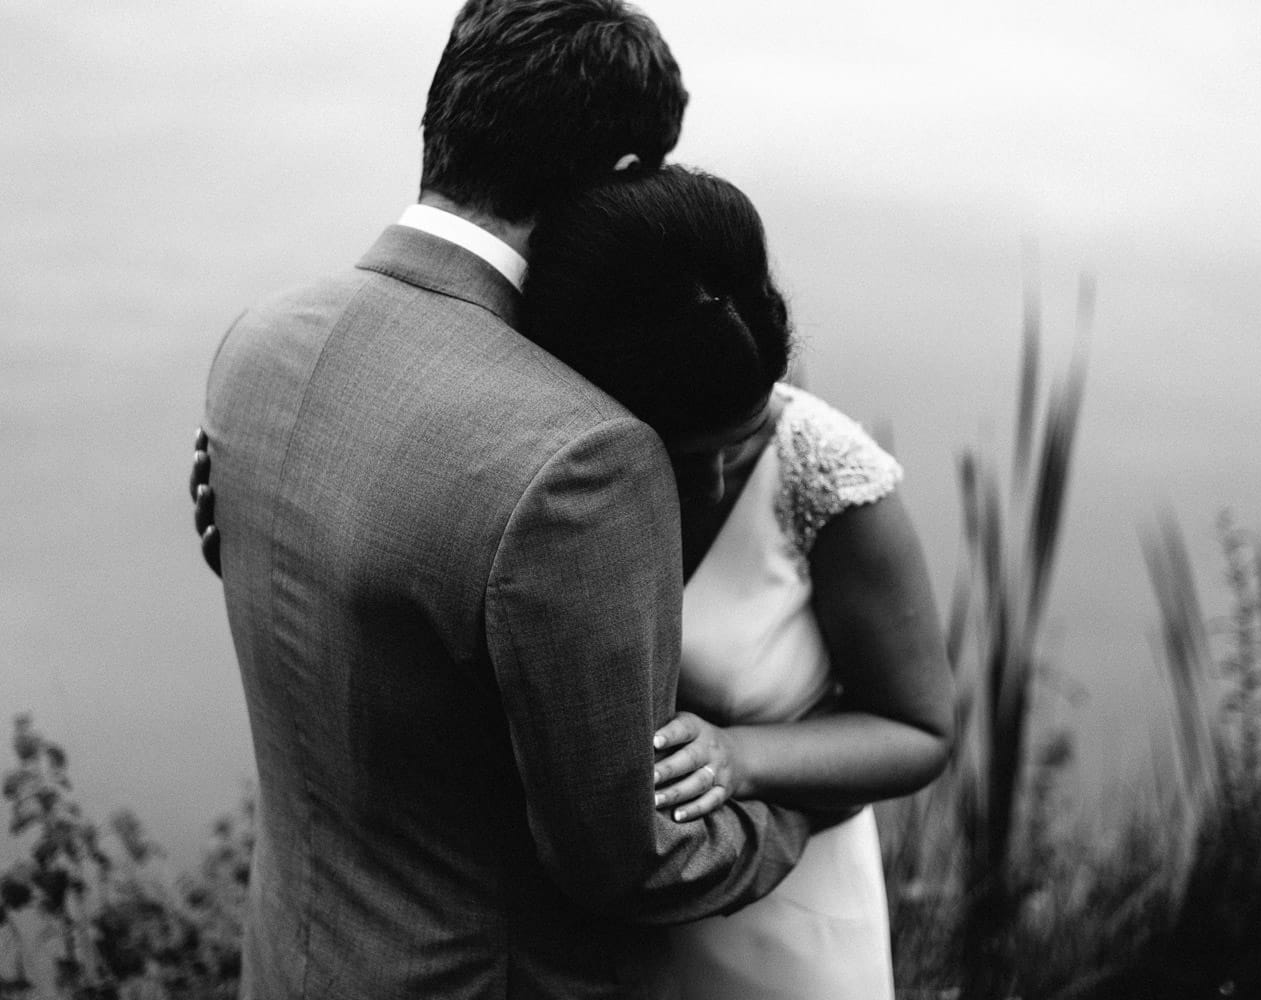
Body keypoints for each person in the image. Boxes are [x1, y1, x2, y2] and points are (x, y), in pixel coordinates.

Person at [195, 3, 831, 997]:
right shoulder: (586, 457)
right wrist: (801, 808)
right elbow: (631, 859)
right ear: (626, 175)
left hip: (288, 962)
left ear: (447, 111)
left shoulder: (259, 343)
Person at [520, 166, 954, 998]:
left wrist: (740, 756)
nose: (717, 483)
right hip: (589, 944)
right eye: (687, 458)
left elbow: (920, 730)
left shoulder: (828, 478)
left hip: (786, 936)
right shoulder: (561, 465)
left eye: (742, 442)